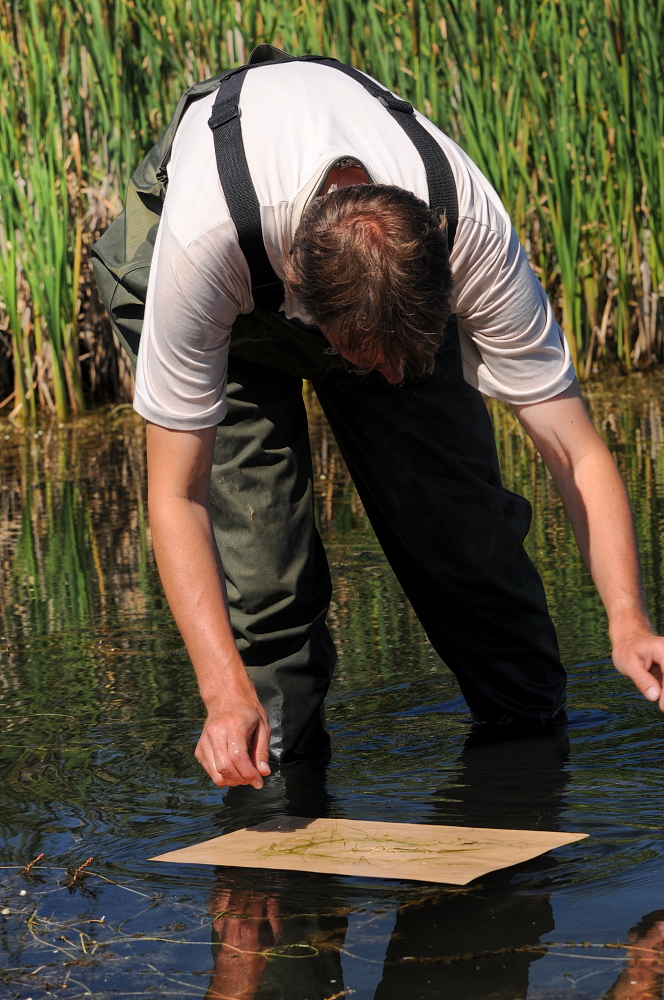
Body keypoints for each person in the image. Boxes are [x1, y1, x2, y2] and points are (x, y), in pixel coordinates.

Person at [133, 54, 664, 791]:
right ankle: (277, 800)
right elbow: (176, 496)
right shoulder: (203, 246)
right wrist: (220, 693)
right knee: (265, 586)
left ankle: (531, 769)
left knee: (468, 540)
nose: (385, 379)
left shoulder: (469, 228)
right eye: (369, 360)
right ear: (312, 314)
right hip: (235, 305)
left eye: (402, 359)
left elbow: (576, 454)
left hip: (376, 292)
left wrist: (628, 620)